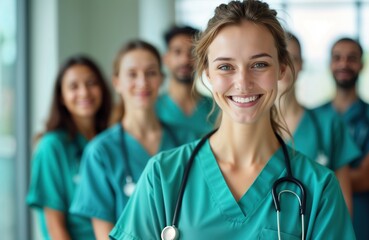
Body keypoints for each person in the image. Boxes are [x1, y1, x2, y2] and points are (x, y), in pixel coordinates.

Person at [109, 1, 355, 239]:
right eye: (226, 67)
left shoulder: (318, 187)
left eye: (259, 64)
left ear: (281, 68)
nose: (243, 83)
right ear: (206, 72)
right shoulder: (163, 176)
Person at [70, 40, 196, 240]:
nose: (142, 82)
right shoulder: (100, 152)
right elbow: (104, 235)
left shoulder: (189, 142)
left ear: (161, 79)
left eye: (151, 73)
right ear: (117, 83)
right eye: (132, 74)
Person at [26, 55, 113, 240]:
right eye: (73, 86)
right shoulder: (52, 146)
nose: (84, 93)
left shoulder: (110, 141)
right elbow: (55, 226)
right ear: (62, 97)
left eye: (91, 83)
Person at [277, 32, 361, 215]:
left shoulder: (329, 124)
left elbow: (344, 204)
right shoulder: (250, 129)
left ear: (301, 65)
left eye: (292, 58)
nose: (284, 66)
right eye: (277, 57)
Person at [317, 37, 369, 240]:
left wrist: (317, 179)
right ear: (330, 64)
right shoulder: (313, 117)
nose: (344, 63)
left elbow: (365, 179)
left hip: (361, 223)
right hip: (320, 224)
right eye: (337, 57)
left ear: (361, 65)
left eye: (351, 58)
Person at [155, 25, 218, 138]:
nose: (185, 59)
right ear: (166, 59)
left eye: (192, 52)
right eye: (177, 52)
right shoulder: (154, 108)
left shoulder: (215, 108)